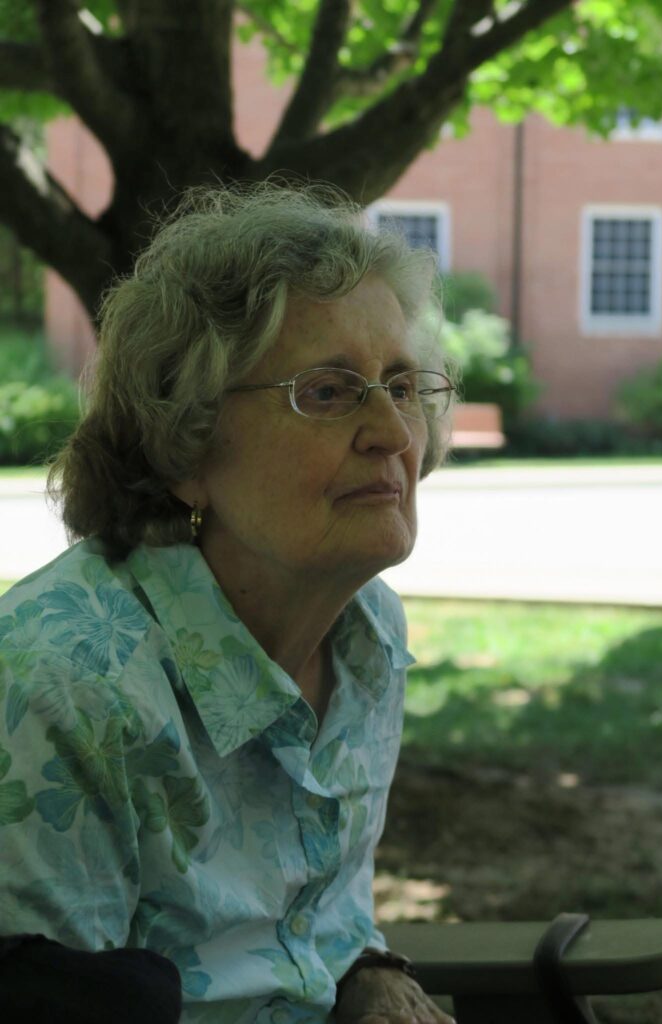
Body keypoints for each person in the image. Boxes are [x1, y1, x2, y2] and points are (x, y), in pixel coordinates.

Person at [0, 182, 456, 1024]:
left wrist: (363, 970)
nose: (392, 433)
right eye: (325, 391)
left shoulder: (365, 633)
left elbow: (315, 917)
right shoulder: (65, 687)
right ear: (186, 443)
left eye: (401, 385)